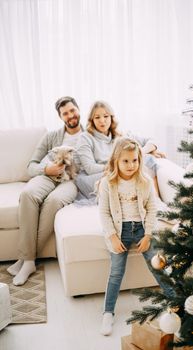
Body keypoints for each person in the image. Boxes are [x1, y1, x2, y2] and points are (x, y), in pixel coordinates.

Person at [7, 96, 83, 286]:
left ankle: (26, 259)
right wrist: (46, 169)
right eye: (65, 113)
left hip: (71, 181)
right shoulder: (51, 137)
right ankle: (29, 262)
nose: (70, 115)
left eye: (72, 110)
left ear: (78, 109)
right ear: (60, 116)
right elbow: (30, 166)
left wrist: (151, 147)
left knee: (54, 201)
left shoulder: (90, 135)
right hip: (47, 176)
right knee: (27, 194)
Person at [98, 137, 163, 336]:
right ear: (116, 161)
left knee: (158, 265)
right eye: (125, 161)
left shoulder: (144, 181)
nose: (131, 165)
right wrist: (112, 237)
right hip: (120, 231)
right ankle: (108, 312)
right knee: (116, 273)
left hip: (142, 229)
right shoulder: (108, 183)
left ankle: (176, 300)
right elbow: (104, 213)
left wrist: (149, 234)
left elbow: (152, 208)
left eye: (134, 160)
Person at [75, 101, 165, 200]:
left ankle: (155, 200)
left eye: (106, 116)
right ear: (92, 120)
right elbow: (90, 168)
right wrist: (118, 166)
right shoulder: (85, 138)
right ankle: (152, 200)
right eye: (97, 117)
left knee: (148, 159)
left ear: (111, 117)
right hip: (95, 177)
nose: (102, 121)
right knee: (132, 166)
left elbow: (153, 140)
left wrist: (141, 152)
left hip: (117, 171)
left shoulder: (119, 134)